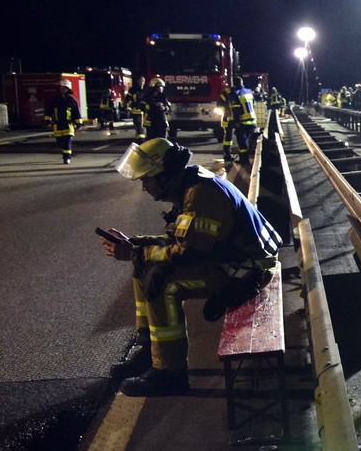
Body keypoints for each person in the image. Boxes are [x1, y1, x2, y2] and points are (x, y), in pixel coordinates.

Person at [98, 138, 281, 396]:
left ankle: (169, 374)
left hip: (247, 271)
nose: (143, 188)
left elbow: (189, 253)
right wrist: (136, 245)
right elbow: (185, 241)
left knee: (163, 282)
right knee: (143, 266)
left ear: (164, 175)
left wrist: (136, 252)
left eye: (146, 179)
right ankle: (150, 350)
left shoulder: (201, 195)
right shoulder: (191, 184)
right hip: (234, 261)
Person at [45, 79, 84, 164]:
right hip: (57, 125)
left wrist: (79, 124)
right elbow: (49, 111)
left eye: (65, 88)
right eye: (62, 87)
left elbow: (76, 113)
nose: (63, 89)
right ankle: (66, 152)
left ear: (68, 89)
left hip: (68, 125)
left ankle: (66, 157)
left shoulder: (71, 100)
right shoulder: (54, 100)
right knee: (60, 143)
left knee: (67, 141)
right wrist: (47, 122)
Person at [227, 76, 258, 164]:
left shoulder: (235, 93)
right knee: (247, 140)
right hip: (252, 120)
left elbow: (236, 110)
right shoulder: (249, 91)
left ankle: (244, 160)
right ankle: (245, 159)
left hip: (242, 121)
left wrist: (236, 123)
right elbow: (253, 104)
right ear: (242, 82)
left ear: (234, 83)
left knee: (241, 142)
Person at [125, 75, 146, 139]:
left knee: (145, 126)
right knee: (138, 126)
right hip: (136, 111)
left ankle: (140, 138)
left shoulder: (146, 90)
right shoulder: (133, 89)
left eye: (143, 81)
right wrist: (128, 107)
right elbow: (127, 99)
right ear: (138, 81)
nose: (141, 82)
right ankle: (140, 140)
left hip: (145, 112)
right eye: (140, 81)